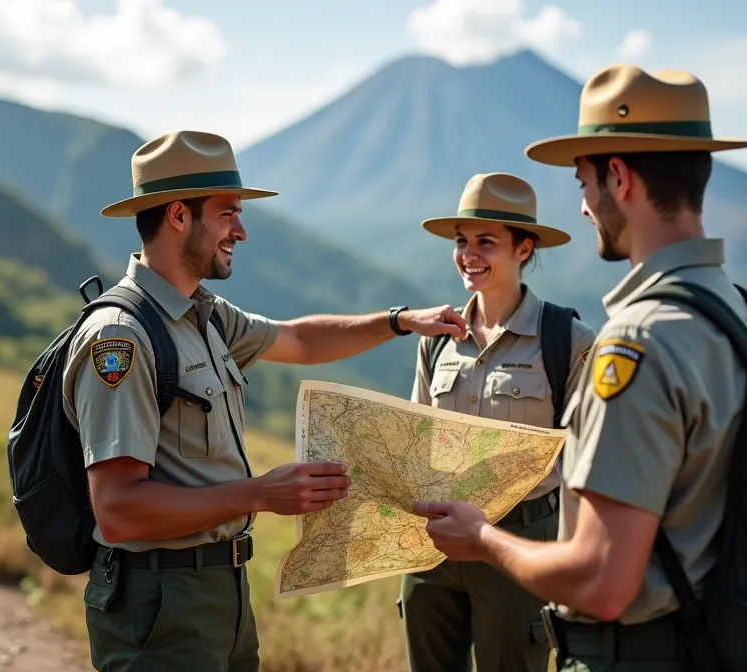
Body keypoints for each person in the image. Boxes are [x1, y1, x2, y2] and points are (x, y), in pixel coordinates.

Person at [63, 130, 469, 672]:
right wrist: (258, 494)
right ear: (179, 215)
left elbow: (299, 340)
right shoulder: (123, 337)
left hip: (221, 593)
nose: (241, 231)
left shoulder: (205, 316)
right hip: (158, 604)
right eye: (228, 213)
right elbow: (116, 512)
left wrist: (399, 321)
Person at [412, 63, 747, 671]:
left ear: (619, 178)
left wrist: (485, 540)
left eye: (582, 181)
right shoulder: (746, 315)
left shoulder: (634, 342)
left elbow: (601, 579)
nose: (582, 207)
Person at [398, 172, 597, 672]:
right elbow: (417, 440)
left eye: (486, 242)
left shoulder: (569, 340)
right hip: (435, 545)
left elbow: (587, 459)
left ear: (524, 248)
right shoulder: (436, 339)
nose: (469, 254)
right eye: (461, 241)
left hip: (520, 544)